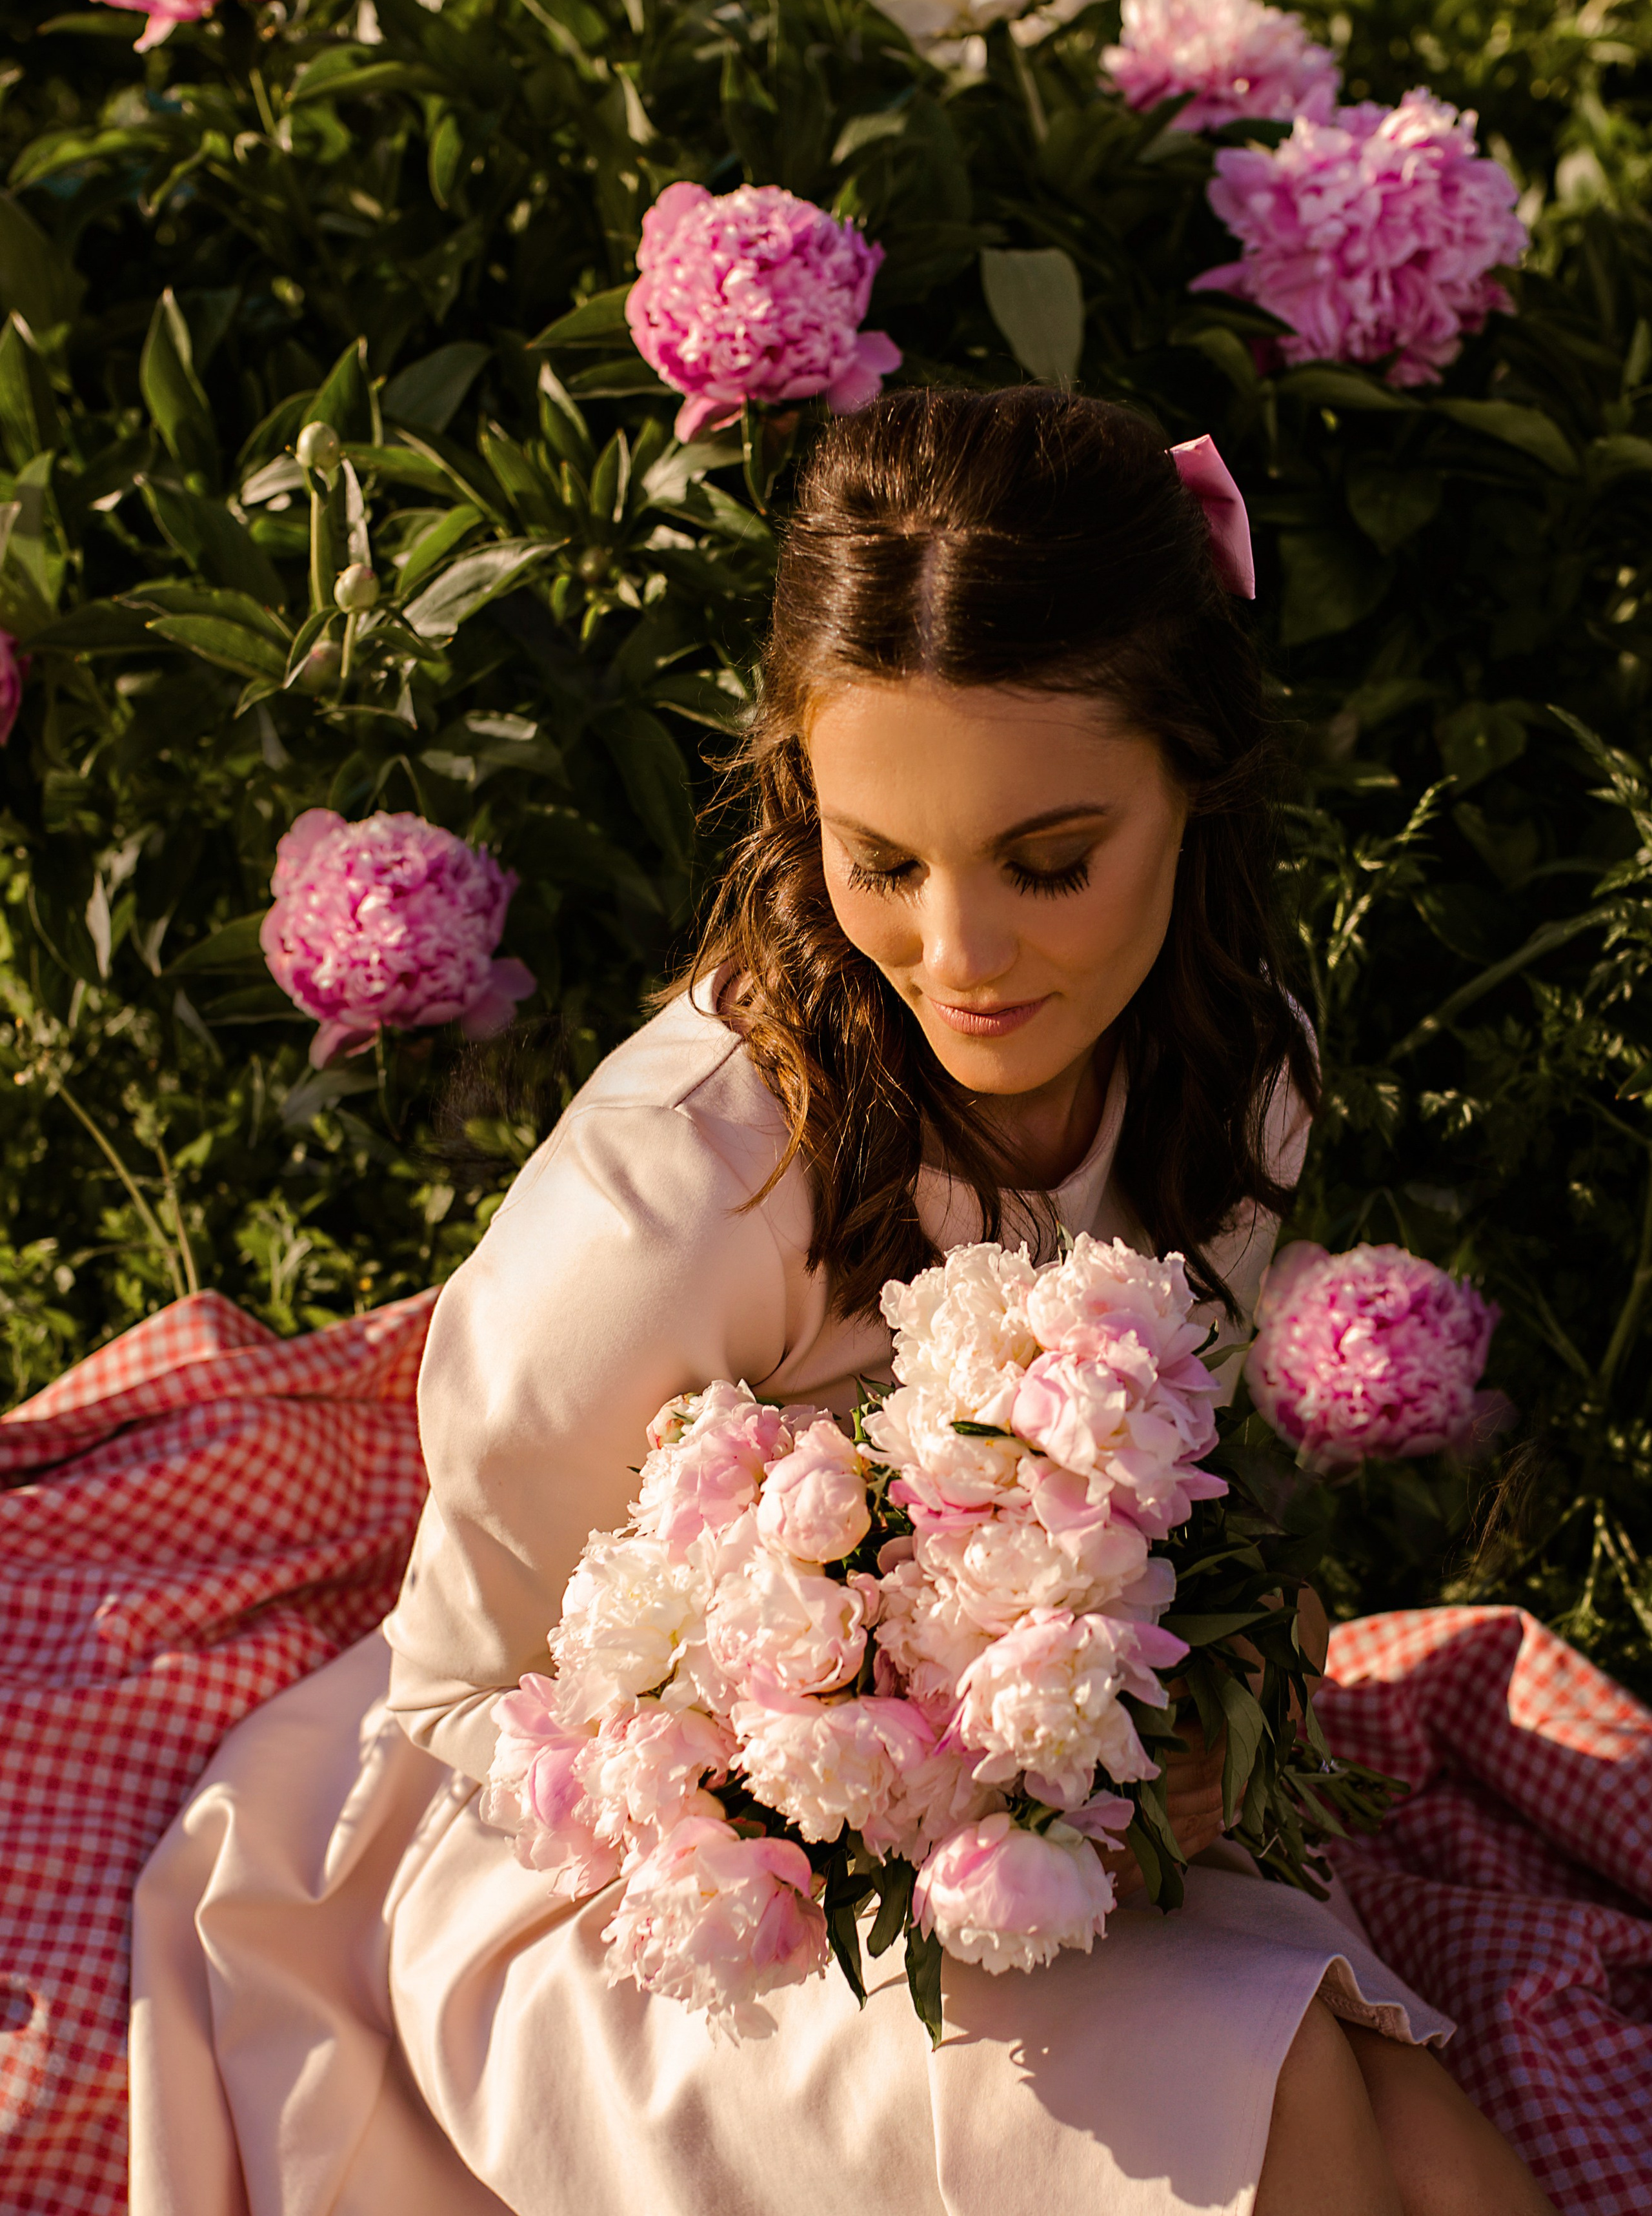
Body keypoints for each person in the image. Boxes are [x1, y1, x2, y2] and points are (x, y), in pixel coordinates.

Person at [130, 388, 1555, 2216]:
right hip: (628, 1883)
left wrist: (1175, 1700)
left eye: (1050, 860)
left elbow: (1164, 1494)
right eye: (880, 861)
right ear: (804, 800)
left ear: (1194, 773)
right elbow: (479, 1696)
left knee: (1447, 2168)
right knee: (1292, 2150)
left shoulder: (1241, 1068)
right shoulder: (669, 1207)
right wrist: (868, 1787)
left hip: (1045, 1827)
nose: (963, 954)